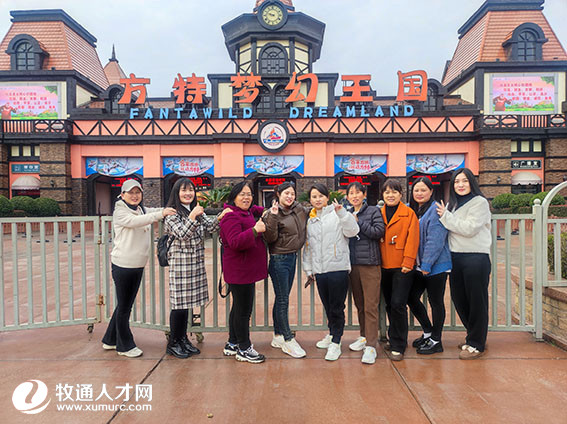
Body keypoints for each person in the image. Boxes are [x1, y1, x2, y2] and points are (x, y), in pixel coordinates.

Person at [102, 179, 176, 357]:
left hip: (137, 264)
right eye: (131, 193)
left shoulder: (140, 209)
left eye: (137, 192)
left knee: (124, 304)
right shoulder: (120, 211)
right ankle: (125, 346)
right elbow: (136, 221)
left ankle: (110, 339)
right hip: (123, 265)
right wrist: (161, 214)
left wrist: (171, 209)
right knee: (125, 307)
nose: (134, 196)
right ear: (122, 195)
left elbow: (153, 211)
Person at [164, 178, 231, 359]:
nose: (188, 194)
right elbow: (182, 234)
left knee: (186, 305)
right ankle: (173, 343)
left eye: (191, 190)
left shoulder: (195, 210)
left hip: (195, 264)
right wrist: (193, 216)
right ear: (177, 193)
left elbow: (210, 227)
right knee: (178, 305)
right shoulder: (172, 214)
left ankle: (183, 339)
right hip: (180, 265)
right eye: (184, 190)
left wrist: (221, 216)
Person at [437, 168, 492, 360]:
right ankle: (474, 336)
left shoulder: (480, 202)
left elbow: (469, 229)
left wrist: (446, 217)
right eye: (456, 182)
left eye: (464, 181)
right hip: (456, 258)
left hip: (475, 257)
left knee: (477, 301)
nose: (460, 185)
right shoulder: (452, 205)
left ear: (472, 182)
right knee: (459, 299)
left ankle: (476, 343)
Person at [303, 183, 359, 361]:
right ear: (310, 200)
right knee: (328, 306)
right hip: (320, 270)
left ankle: (336, 341)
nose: (317, 199)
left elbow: (353, 231)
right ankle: (332, 333)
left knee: (336, 307)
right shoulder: (311, 220)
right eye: (314, 196)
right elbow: (308, 246)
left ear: (327, 197)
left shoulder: (338, 213)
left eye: (321, 196)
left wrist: (342, 214)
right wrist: (309, 268)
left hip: (337, 268)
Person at [219, 181, 268, 364]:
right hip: (240, 271)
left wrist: (267, 210)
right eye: (242, 194)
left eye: (249, 194)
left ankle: (232, 343)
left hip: (245, 269)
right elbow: (235, 242)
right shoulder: (230, 217)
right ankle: (244, 348)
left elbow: (257, 209)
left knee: (238, 307)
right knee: (243, 311)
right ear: (234, 198)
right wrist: (255, 230)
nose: (246, 198)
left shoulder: (246, 211)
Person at [263, 182, 309, 358]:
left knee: (282, 298)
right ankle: (288, 339)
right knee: (283, 300)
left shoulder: (298, 209)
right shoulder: (272, 213)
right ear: (278, 194)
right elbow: (270, 238)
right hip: (279, 260)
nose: (290, 196)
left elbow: (312, 212)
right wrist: (273, 217)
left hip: (292, 257)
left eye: (292, 193)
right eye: (286, 193)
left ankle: (278, 335)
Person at [407, 177, 451, 355]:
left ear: (431, 191)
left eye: (423, 190)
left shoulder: (435, 210)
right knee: (411, 297)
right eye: (416, 190)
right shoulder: (414, 210)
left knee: (436, 302)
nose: (419, 193)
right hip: (420, 266)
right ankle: (428, 332)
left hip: (436, 266)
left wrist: (426, 264)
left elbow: (435, 240)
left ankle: (436, 340)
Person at [379, 179, 419, 362]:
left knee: (398, 304)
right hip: (383, 266)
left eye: (394, 192)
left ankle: (399, 344)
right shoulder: (379, 213)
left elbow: (413, 239)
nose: (390, 195)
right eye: (387, 192)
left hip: (402, 266)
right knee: (389, 304)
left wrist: (408, 262)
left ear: (401, 194)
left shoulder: (409, 213)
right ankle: (393, 336)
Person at [345, 181, 385, 364]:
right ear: (347, 197)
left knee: (370, 306)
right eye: (351, 193)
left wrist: (358, 222)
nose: (354, 196)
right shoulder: (346, 212)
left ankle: (371, 345)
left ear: (364, 194)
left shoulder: (373, 211)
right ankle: (364, 336)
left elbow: (378, 232)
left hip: (370, 264)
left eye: (357, 192)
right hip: (353, 265)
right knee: (360, 304)